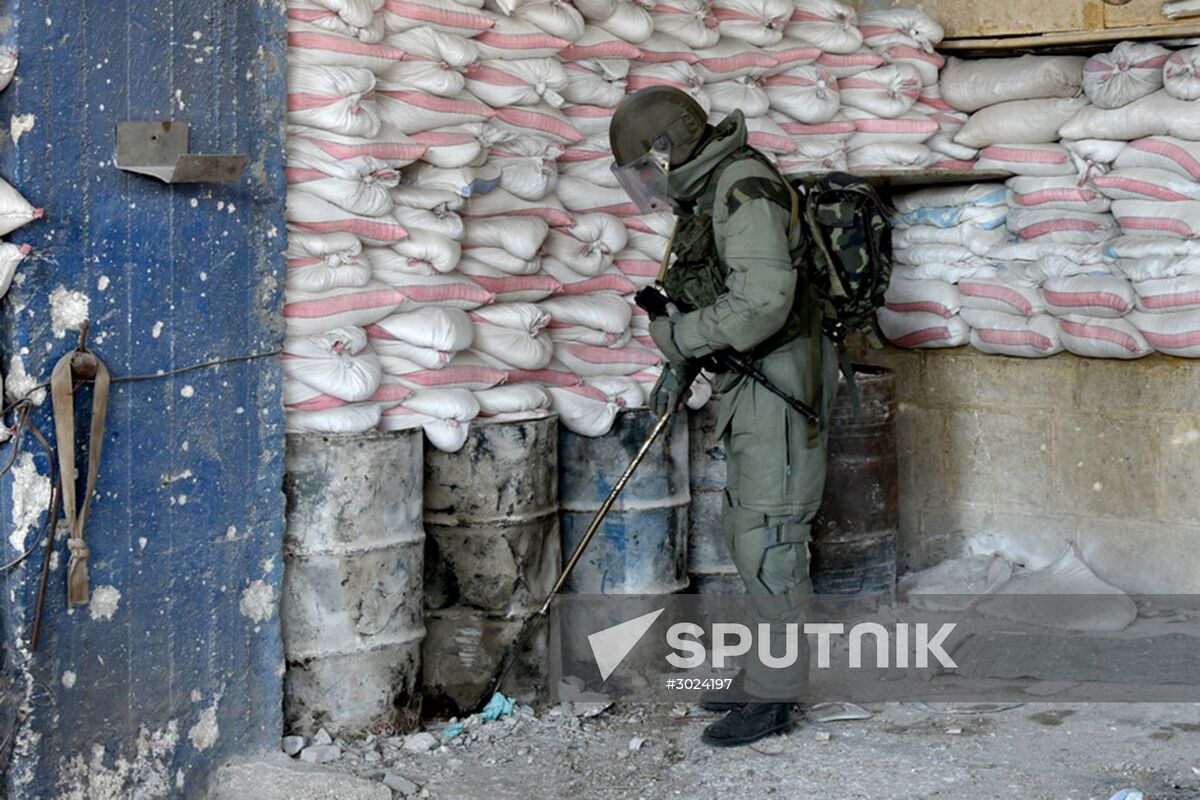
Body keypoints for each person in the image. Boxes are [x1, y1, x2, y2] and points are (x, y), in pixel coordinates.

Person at [609, 86, 838, 747]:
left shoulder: (743, 189)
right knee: (748, 532)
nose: (649, 183)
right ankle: (765, 671)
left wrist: (677, 341)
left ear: (667, 148)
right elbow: (712, 293)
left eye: (649, 168)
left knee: (770, 540)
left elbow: (763, 301)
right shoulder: (711, 193)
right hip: (755, 386)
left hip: (782, 387)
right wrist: (674, 362)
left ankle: (776, 697)